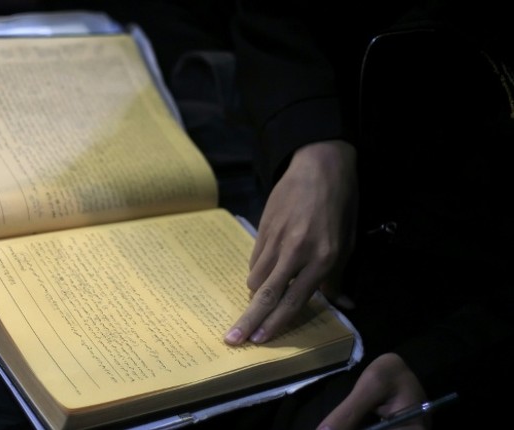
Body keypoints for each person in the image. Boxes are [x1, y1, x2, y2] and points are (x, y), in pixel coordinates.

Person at [49, 0, 514, 428]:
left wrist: (442, 363)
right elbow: (273, 13)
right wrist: (313, 139)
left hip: (458, 305)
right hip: (295, 145)